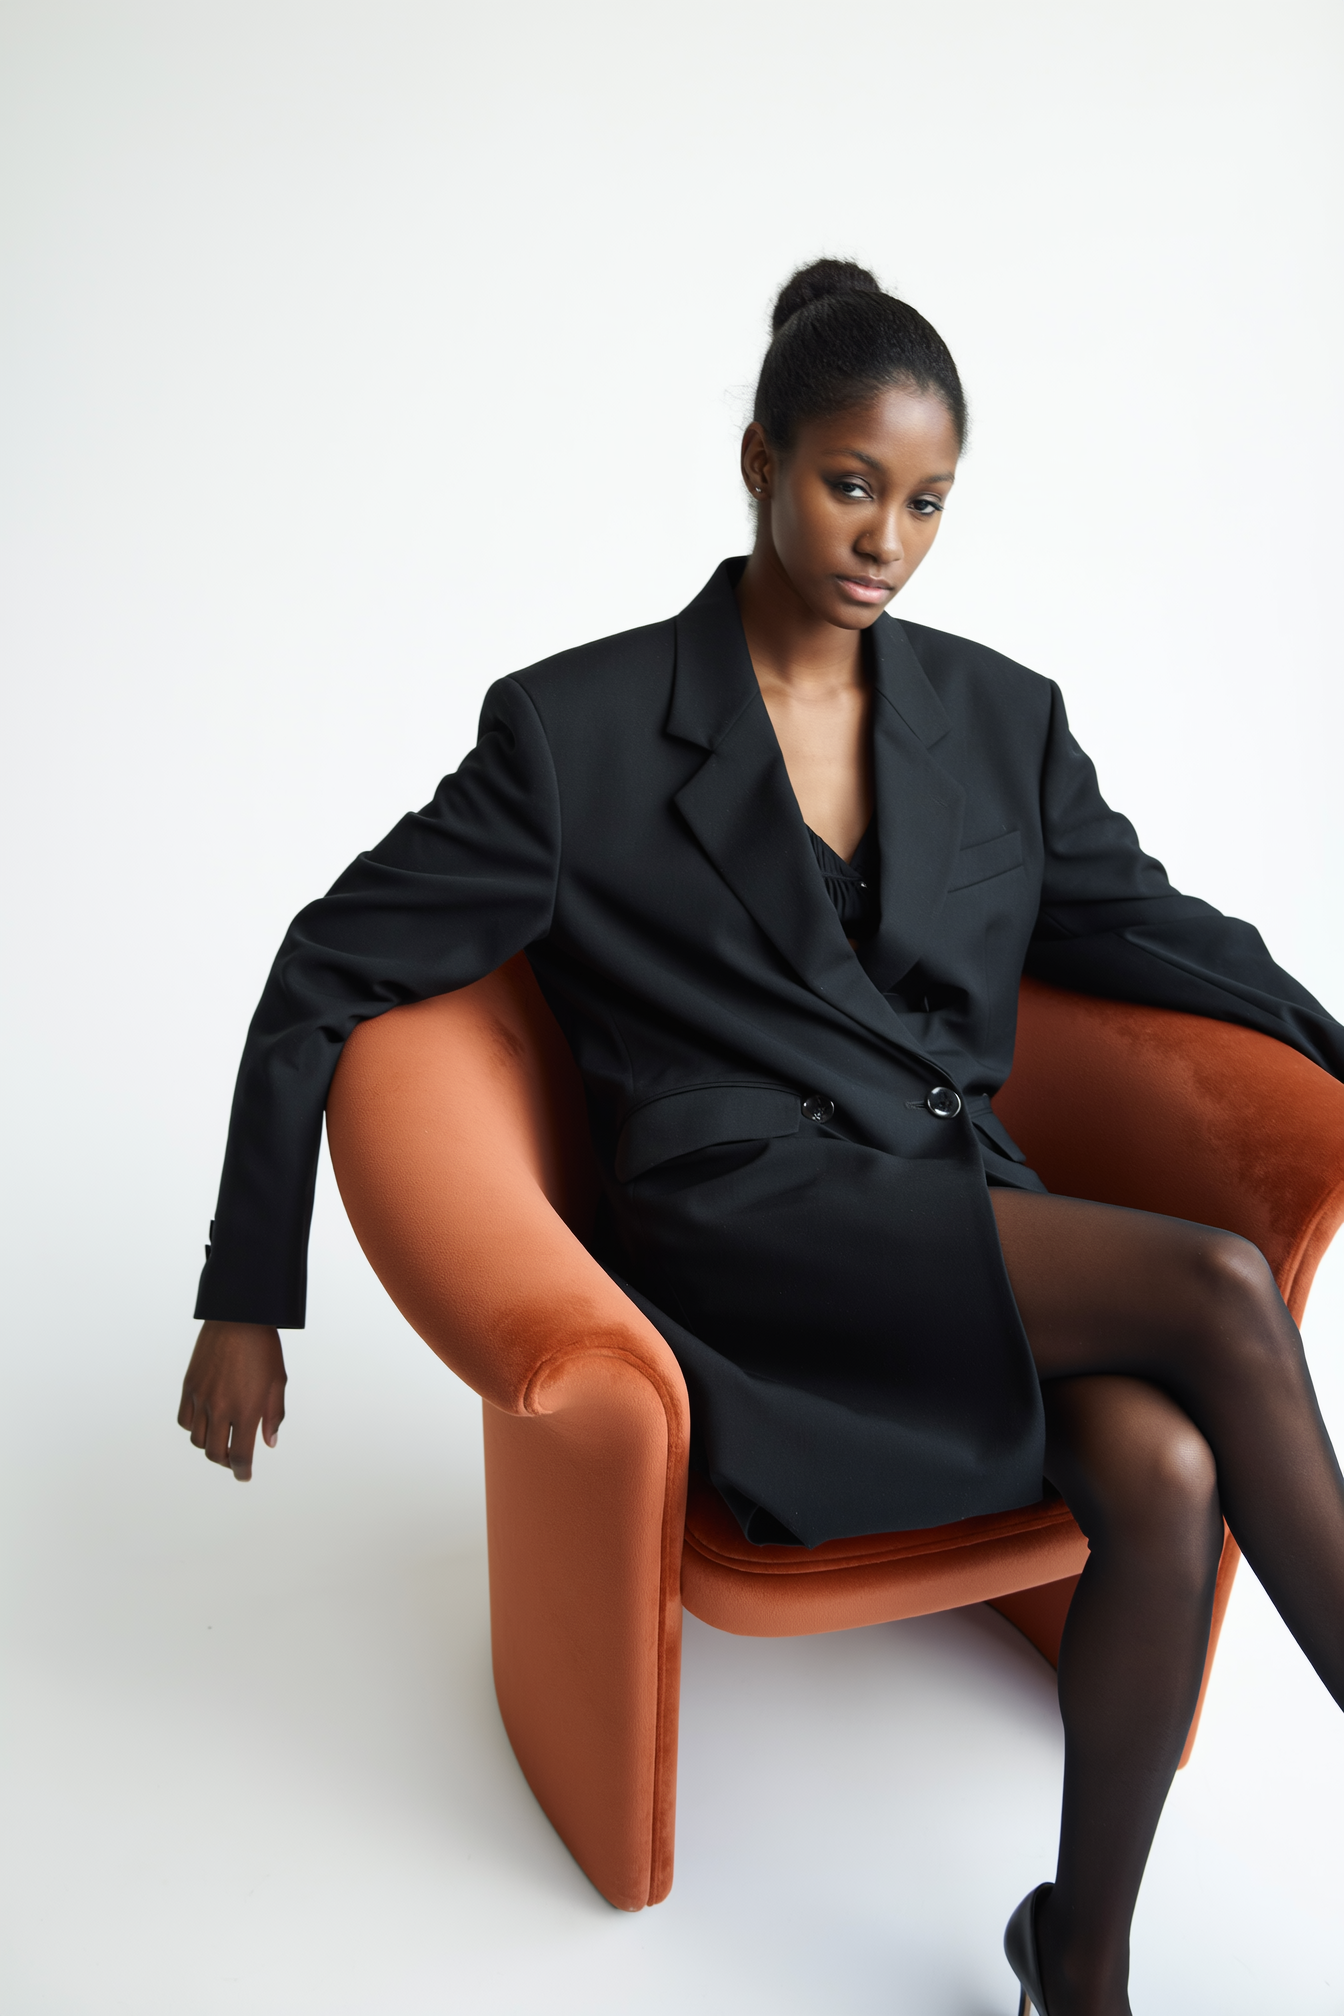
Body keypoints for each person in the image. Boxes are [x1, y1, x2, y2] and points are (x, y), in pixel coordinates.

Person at [178, 259, 1344, 2016]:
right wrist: (247, 1294)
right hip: (751, 1235)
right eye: (851, 483)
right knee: (1217, 1284)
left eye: (928, 501)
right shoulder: (574, 735)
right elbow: (330, 961)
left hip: (953, 1209)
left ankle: (1077, 1958)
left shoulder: (1001, 721)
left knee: (1173, 1479)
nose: (886, 536)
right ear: (761, 461)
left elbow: (1154, 931)